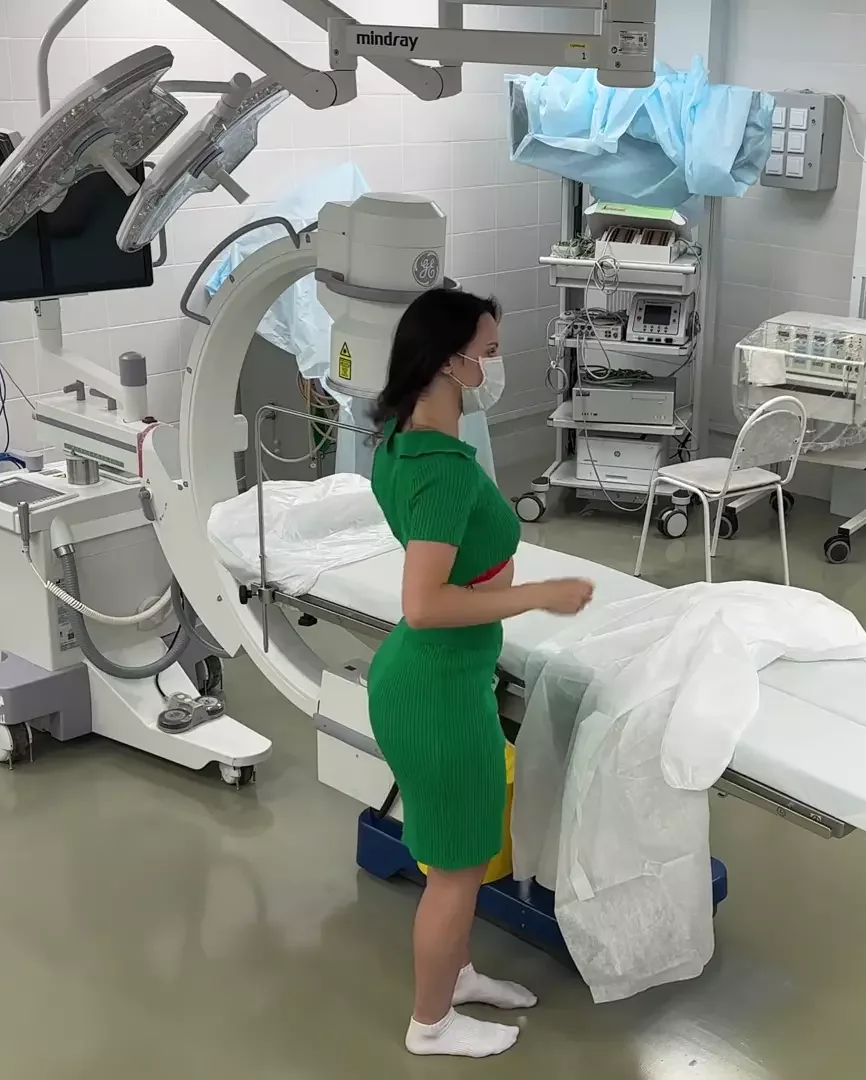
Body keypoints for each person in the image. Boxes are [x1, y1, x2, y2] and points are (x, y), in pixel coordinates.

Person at [364, 287, 595, 1058]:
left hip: (435, 677)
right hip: (436, 690)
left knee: (453, 856)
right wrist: (539, 596)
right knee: (457, 872)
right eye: (488, 353)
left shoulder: (403, 440)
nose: (496, 366)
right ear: (447, 361)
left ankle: (457, 976)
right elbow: (425, 603)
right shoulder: (443, 473)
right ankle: (431, 1024)